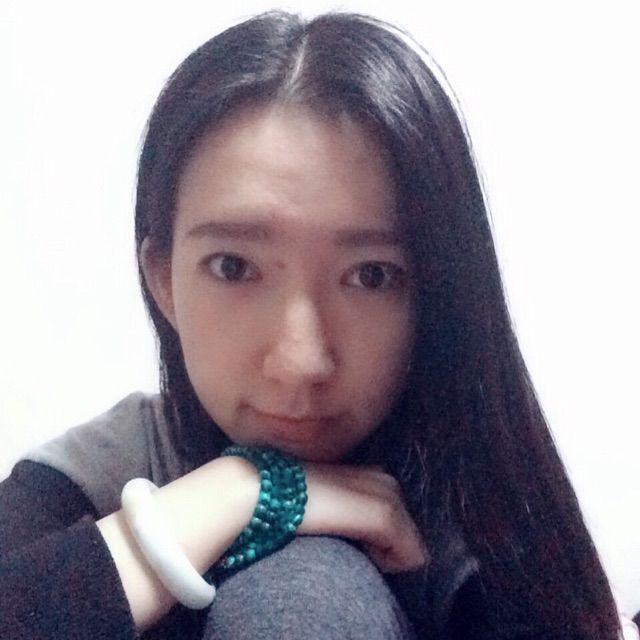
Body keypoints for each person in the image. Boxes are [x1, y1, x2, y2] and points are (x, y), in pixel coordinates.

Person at [0, 10, 626, 640]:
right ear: (162, 278)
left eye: (372, 276)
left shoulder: (480, 506)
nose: (301, 361)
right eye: (234, 267)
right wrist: (243, 492)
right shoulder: (100, 470)